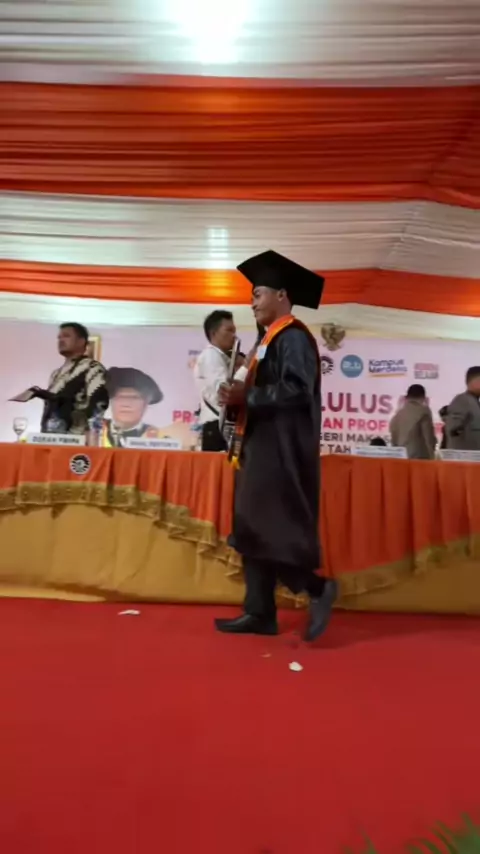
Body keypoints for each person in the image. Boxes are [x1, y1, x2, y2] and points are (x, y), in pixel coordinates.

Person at [215, 249, 337, 642]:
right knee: (252, 529)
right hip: (259, 446)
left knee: (270, 529)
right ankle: (259, 612)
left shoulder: (293, 336)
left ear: (282, 295)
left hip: (281, 451)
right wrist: (235, 396)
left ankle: (317, 588)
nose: (252, 303)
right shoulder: (265, 341)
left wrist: (247, 396)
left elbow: (298, 390)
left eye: (258, 294)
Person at [30, 322, 108, 434]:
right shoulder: (55, 374)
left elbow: (98, 406)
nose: (61, 340)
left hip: (76, 437)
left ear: (81, 341)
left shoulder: (92, 368)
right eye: (59, 337)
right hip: (50, 436)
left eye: (66, 336)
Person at [193, 310, 237, 451]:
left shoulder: (222, 357)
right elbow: (225, 390)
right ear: (213, 333)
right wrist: (245, 367)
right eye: (229, 330)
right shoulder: (211, 355)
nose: (234, 335)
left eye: (234, 331)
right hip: (217, 426)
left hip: (220, 426)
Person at [389, 384, 436, 460]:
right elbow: (428, 439)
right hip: (418, 458)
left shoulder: (398, 415)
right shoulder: (424, 412)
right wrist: (432, 458)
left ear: (407, 397)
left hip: (401, 458)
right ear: (423, 397)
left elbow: (394, 440)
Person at [445, 367, 480, 451]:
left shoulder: (473, 402)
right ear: (475, 381)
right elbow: (452, 429)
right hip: (465, 456)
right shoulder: (462, 400)